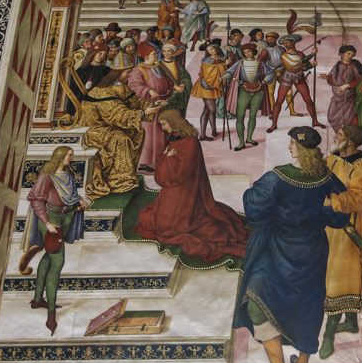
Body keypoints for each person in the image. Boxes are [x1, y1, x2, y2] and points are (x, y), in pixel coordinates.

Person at [234, 126, 349, 363]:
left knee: (257, 304)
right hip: (312, 252)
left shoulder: (277, 177)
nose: (289, 148)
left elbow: (254, 210)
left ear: (300, 149)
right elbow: (340, 217)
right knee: (309, 305)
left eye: (292, 144)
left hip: (276, 250)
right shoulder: (327, 178)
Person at [136, 109, 251, 262]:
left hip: (187, 190)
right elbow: (168, 170)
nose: (163, 128)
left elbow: (180, 172)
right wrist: (166, 157)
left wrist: (167, 159)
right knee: (159, 222)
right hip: (175, 187)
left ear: (173, 122)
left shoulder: (190, 141)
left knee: (170, 227)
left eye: (164, 124)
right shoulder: (175, 137)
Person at [321, 124, 362, 358]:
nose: (335, 136)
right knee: (338, 274)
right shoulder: (333, 158)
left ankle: (328, 336)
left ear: (350, 141)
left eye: (339, 134)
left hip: (352, 226)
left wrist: (333, 202)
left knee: (341, 279)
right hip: (331, 225)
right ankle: (350, 322)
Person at [19, 146, 89, 334]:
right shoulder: (46, 176)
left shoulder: (68, 174)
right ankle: (51, 313)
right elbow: (36, 201)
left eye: (72, 155)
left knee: (49, 256)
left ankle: (37, 300)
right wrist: (48, 223)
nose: (71, 158)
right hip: (50, 218)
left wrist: (79, 201)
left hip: (66, 217)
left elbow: (71, 195)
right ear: (60, 156)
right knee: (57, 263)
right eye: (69, 155)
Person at [76, 68, 166, 198]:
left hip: (107, 126)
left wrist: (153, 105)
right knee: (120, 138)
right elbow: (117, 115)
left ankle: (126, 176)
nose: (129, 75)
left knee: (137, 132)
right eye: (127, 72)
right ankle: (120, 182)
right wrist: (144, 113)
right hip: (93, 129)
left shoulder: (120, 88)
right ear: (116, 74)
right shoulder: (101, 92)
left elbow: (135, 102)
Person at [128, 45, 172, 172]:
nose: (157, 56)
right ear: (146, 56)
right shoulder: (138, 70)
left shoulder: (158, 67)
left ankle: (159, 159)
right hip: (147, 105)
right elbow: (134, 85)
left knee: (160, 132)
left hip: (161, 103)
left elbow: (168, 80)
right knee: (148, 134)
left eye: (156, 53)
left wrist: (169, 88)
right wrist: (148, 90)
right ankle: (144, 162)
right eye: (154, 54)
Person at [225, 42, 276, 150]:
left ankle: (249, 138)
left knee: (253, 115)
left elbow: (271, 73)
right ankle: (241, 142)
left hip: (258, 91)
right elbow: (230, 72)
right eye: (245, 52)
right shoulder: (240, 63)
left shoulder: (260, 63)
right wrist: (223, 77)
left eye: (249, 51)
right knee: (240, 116)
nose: (247, 54)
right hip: (244, 90)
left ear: (253, 52)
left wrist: (263, 81)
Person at [324, 45, 362, 133]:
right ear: (341, 54)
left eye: (352, 55)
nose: (350, 56)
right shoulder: (337, 66)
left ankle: (349, 135)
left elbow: (361, 80)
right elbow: (334, 80)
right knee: (331, 116)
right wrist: (327, 77)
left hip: (351, 96)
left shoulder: (354, 65)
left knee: (350, 117)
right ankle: (340, 134)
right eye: (348, 53)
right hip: (338, 95)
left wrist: (347, 85)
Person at [191, 40, 227, 140]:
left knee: (207, 110)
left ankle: (207, 133)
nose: (210, 51)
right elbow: (208, 75)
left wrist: (226, 63)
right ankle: (211, 131)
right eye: (208, 50)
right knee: (212, 109)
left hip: (215, 86)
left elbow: (227, 71)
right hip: (206, 86)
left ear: (217, 48)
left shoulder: (223, 57)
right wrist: (224, 65)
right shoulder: (206, 60)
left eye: (212, 49)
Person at [156, 40, 192, 113]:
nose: (166, 53)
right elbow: (159, 80)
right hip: (167, 93)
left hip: (179, 93)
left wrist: (181, 86)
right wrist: (175, 87)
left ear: (173, 52)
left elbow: (185, 77)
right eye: (164, 51)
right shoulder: (158, 65)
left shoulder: (177, 64)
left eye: (169, 51)